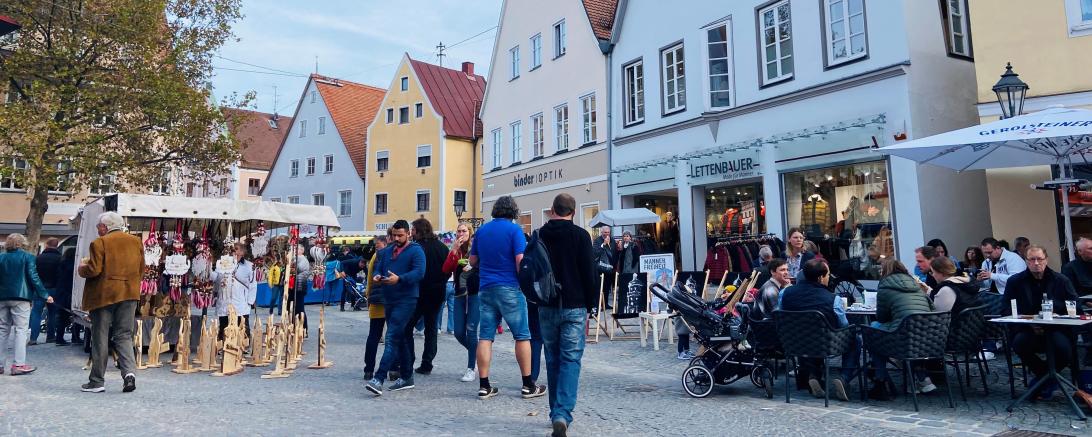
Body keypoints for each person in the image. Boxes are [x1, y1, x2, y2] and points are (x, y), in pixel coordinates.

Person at [470, 196, 545, 400]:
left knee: (485, 336)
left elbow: (473, 260)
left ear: (495, 210)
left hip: (485, 288)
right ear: (513, 212)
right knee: (522, 335)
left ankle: (484, 385)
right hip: (510, 287)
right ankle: (528, 384)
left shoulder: (482, 231)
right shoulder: (515, 231)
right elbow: (520, 261)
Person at [537, 193, 597, 437]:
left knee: (552, 358)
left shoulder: (540, 234)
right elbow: (589, 274)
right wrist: (592, 306)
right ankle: (562, 413)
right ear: (572, 211)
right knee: (570, 360)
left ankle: (555, 412)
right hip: (574, 304)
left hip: (546, 305)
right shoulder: (581, 236)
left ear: (552, 210)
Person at [1002, 246, 1078, 400]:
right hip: (1027, 329)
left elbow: (1075, 307)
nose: (1036, 263)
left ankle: (1041, 383)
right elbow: (1005, 309)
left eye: (1040, 259)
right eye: (1032, 259)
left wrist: (1058, 313)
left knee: (1065, 350)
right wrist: (1028, 322)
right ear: (1026, 261)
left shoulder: (1061, 280)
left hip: (1057, 328)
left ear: (1046, 260)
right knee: (1019, 343)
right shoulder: (1015, 282)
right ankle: (1047, 377)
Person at [77, 212, 141, 392]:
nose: (98, 229)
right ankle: (129, 374)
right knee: (124, 335)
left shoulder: (100, 243)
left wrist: (82, 268)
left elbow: (94, 269)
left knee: (100, 336)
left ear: (105, 227)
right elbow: (141, 269)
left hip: (104, 295)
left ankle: (97, 381)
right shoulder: (136, 242)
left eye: (99, 227)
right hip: (129, 293)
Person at [778, 259, 854, 402]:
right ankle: (844, 378)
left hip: (794, 342)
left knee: (811, 332)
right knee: (854, 338)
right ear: (820, 278)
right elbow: (843, 325)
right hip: (825, 343)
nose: (829, 278)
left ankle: (814, 375)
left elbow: (781, 313)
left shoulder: (785, 293)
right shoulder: (833, 299)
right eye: (828, 275)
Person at [365, 220, 426, 395]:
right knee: (403, 336)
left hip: (406, 300)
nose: (397, 238)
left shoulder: (416, 251)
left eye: (400, 235)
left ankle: (379, 378)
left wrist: (399, 279)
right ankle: (407, 376)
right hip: (389, 299)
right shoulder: (385, 252)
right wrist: (377, 276)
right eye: (394, 235)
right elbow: (378, 268)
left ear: (408, 233)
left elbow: (419, 273)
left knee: (391, 337)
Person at [868, 259, 937, 400]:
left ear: (885, 272)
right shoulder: (916, 284)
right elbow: (932, 309)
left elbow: (881, 318)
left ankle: (880, 379)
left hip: (903, 338)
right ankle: (921, 378)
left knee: (873, 329)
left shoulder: (885, 286)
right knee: (906, 331)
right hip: (928, 338)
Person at [0, 234, 53, 375]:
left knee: (2, 330)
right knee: (21, 330)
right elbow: (33, 277)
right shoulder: (28, 257)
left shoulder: (1, 257)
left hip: (2, 297)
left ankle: (0, 364)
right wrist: (45, 295)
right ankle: (18, 365)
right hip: (21, 297)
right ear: (22, 243)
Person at [406, 218, 449, 376]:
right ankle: (427, 363)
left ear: (418, 230)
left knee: (407, 326)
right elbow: (448, 269)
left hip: (419, 292)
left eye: (413, 230)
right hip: (438, 291)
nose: (411, 233)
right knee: (431, 328)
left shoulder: (416, 248)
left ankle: (408, 360)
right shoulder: (442, 247)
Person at [443, 223, 479, 382]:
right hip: (459, 293)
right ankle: (478, 354)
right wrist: (454, 251)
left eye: (464, 231)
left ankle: (471, 367)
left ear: (469, 233)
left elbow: (483, 266)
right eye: (458, 231)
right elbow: (446, 269)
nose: (460, 233)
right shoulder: (455, 250)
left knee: (471, 330)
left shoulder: (476, 248)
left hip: (474, 293)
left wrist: (471, 265)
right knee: (458, 332)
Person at [214, 243, 258, 341]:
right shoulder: (222, 264)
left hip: (241, 301)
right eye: (232, 250)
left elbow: (253, 284)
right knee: (224, 324)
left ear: (242, 252)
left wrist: (250, 301)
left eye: (236, 249)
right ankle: (223, 343)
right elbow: (216, 279)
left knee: (242, 324)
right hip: (225, 300)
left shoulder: (249, 266)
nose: (234, 252)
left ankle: (244, 344)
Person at [362, 235, 389, 380]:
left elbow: (370, 280)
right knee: (383, 336)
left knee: (374, 335)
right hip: (386, 301)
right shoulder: (391, 255)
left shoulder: (375, 257)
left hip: (377, 300)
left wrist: (368, 296)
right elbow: (370, 280)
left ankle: (369, 369)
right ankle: (392, 368)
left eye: (378, 245)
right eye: (376, 246)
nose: (376, 248)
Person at [34, 238, 63, 345]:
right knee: (53, 314)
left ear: (46, 245)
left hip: (40, 289)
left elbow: (34, 274)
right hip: (55, 289)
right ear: (57, 245)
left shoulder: (38, 258)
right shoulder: (60, 258)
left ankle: (33, 338)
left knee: (36, 313)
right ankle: (50, 336)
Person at [52, 248, 79, 345]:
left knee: (62, 317)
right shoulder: (75, 266)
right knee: (77, 315)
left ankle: (59, 338)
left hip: (61, 292)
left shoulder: (61, 264)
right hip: (71, 292)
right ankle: (75, 337)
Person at [592, 226, 615, 310]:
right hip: (600, 268)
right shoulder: (597, 241)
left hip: (610, 268)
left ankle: (606, 304)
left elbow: (614, 252)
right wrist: (604, 244)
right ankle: (599, 305)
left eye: (608, 232)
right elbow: (595, 253)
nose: (607, 234)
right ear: (601, 232)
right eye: (605, 232)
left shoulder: (612, 240)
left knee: (607, 287)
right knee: (599, 288)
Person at [292, 244, 311, 331]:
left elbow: (298, 268)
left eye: (297, 249)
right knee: (295, 308)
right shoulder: (296, 259)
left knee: (299, 308)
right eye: (295, 249)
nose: (295, 251)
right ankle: (296, 327)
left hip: (300, 286)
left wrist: (293, 262)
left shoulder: (303, 259)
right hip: (295, 286)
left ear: (302, 251)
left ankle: (303, 329)